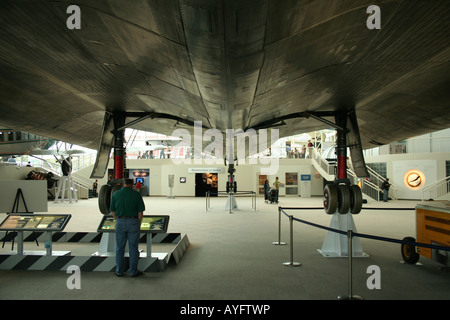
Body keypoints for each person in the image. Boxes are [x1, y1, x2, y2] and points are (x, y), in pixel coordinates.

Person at [110, 178, 145, 277]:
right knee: (133, 248)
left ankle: (119, 271)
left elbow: (112, 210)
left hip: (120, 222)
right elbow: (140, 212)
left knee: (119, 247)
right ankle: (133, 271)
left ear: (123, 184)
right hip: (133, 221)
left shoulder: (115, 194)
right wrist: (137, 222)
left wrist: (118, 219)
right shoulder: (136, 194)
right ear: (132, 185)